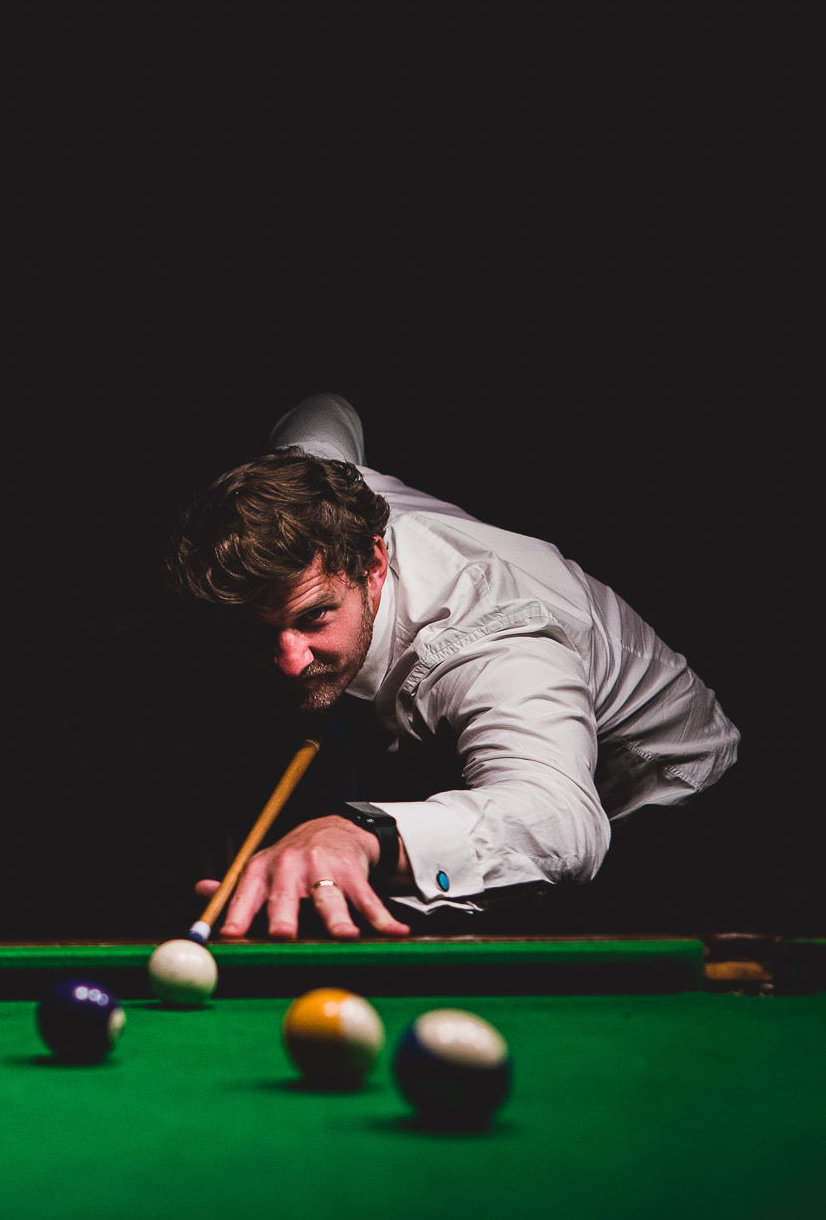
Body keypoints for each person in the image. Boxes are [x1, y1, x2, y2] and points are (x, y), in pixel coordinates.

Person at [165, 394, 736, 940]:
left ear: (373, 563)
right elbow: (325, 409)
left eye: (314, 617)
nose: (289, 664)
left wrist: (364, 833)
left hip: (660, 802)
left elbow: (562, 825)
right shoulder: (310, 480)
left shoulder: (490, 643)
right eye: (261, 632)